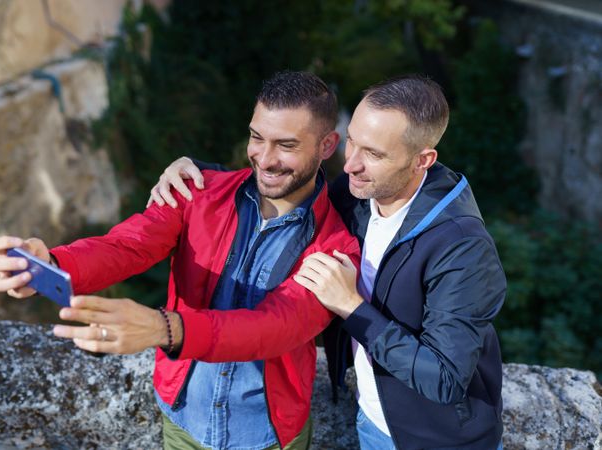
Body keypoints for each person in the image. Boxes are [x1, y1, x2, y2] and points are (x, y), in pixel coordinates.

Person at [0, 71, 360, 450]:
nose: (264, 158)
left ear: (327, 145)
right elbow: (128, 245)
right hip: (183, 420)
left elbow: (275, 327)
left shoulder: (337, 247)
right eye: (256, 137)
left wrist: (165, 329)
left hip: (268, 435)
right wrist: (52, 262)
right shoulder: (197, 190)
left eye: (286, 145)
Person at [148, 75, 506, 450]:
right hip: (371, 422)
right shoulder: (356, 197)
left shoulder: (463, 248)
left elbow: (445, 379)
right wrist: (196, 170)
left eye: (374, 153)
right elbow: (284, 186)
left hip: (442, 440)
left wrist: (352, 308)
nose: (350, 164)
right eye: (351, 140)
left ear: (423, 160)